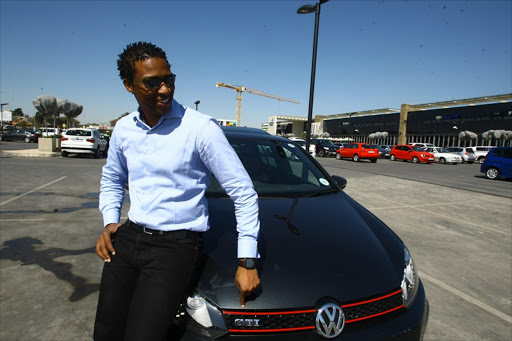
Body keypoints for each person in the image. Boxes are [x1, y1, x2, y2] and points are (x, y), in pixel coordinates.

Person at [94, 41, 261, 341]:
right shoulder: (123, 129)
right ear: (129, 85)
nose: (165, 89)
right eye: (152, 82)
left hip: (176, 247)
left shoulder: (200, 129)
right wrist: (109, 222)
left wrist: (247, 260)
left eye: (168, 79)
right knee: (106, 330)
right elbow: (112, 179)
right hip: (129, 237)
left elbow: (243, 192)